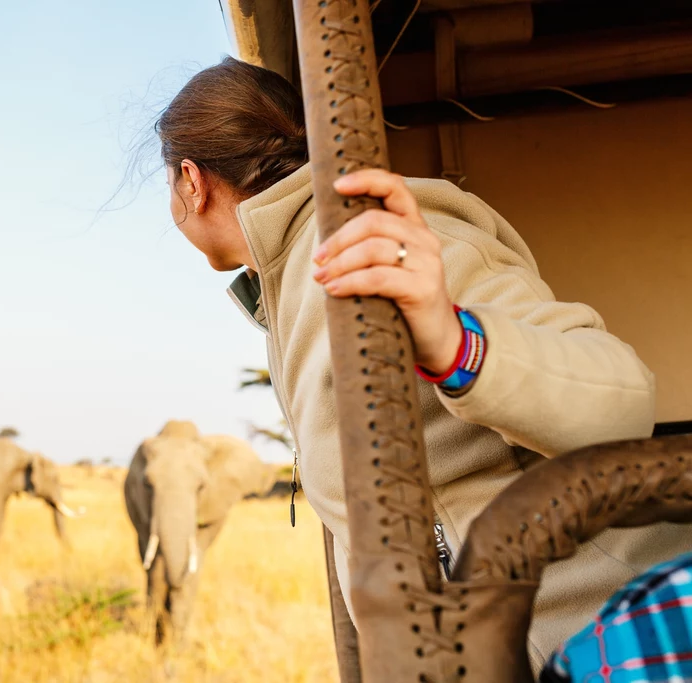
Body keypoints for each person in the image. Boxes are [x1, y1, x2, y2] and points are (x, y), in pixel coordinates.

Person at [151, 56, 692, 671]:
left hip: (607, 643)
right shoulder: (293, 281)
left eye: (169, 185)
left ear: (191, 182)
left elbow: (620, 397)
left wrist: (455, 343)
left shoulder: (384, 241)